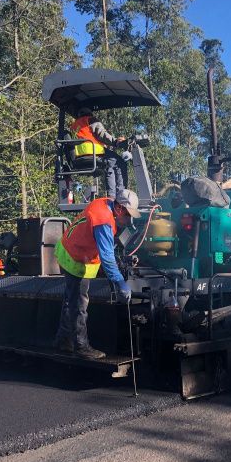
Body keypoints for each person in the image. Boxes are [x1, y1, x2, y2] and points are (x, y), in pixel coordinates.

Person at [53, 189, 140, 359]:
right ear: (120, 209)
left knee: (70, 299)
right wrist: (120, 282)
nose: (129, 220)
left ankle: (63, 340)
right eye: (129, 215)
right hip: (74, 257)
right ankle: (81, 346)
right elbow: (107, 258)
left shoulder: (107, 203)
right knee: (79, 303)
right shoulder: (103, 220)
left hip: (72, 249)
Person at [70, 106, 128, 199]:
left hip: (80, 155)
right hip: (94, 151)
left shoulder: (73, 125)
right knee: (120, 162)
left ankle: (112, 196)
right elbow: (102, 134)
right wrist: (115, 141)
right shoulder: (90, 120)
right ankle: (122, 194)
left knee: (110, 165)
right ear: (90, 113)